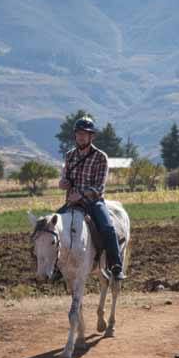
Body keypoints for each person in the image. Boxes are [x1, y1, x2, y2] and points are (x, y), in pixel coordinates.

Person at [59, 117, 125, 280]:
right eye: (79, 134)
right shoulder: (69, 156)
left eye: (85, 134)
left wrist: (80, 194)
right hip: (72, 203)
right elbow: (64, 179)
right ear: (75, 136)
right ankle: (56, 268)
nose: (81, 137)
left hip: (93, 202)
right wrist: (63, 183)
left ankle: (116, 266)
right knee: (50, 227)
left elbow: (99, 187)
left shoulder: (101, 157)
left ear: (91, 137)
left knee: (108, 228)